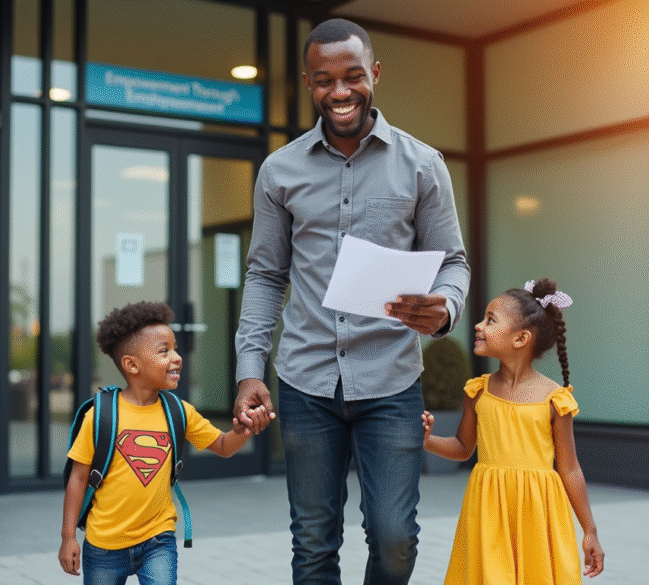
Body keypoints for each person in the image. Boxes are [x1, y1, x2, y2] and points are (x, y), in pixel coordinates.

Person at [233, 17, 470, 585]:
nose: (339, 92)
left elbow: (453, 264)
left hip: (390, 381)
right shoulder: (279, 170)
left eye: (352, 76)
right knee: (313, 542)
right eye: (323, 80)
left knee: (395, 540)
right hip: (305, 382)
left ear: (375, 75)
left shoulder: (422, 165)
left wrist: (444, 307)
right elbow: (266, 274)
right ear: (309, 84)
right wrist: (248, 368)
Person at [59, 301, 259, 585]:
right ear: (132, 365)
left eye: (175, 348)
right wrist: (68, 538)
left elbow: (224, 446)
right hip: (103, 545)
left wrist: (246, 427)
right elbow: (78, 479)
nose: (177, 357)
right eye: (164, 351)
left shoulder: (178, 411)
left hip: (158, 540)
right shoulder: (101, 416)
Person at [422, 278, 604, 583]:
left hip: (539, 513)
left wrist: (590, 531)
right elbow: (463, 447)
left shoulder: (555, 399)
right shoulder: (477, 392)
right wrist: (427, 441)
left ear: (520, 339)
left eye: (490, 320)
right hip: (489, 511)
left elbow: (570, 469)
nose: (478, 326)